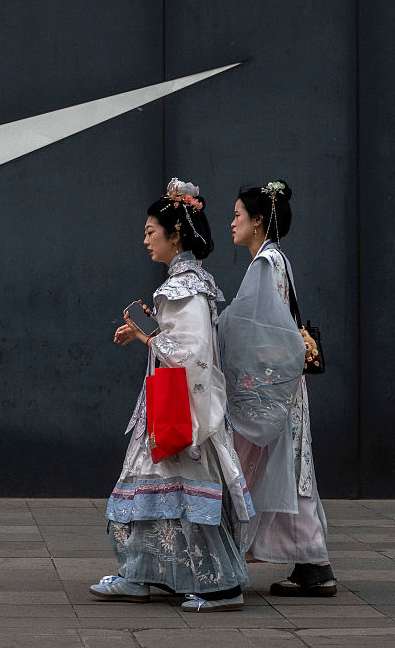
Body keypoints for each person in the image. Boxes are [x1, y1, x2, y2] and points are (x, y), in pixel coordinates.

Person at [90, 178, 254, 612]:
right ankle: (141, 575)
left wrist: (148, 337)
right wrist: (150, 333)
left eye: (151, 231)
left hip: (179, 410)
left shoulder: (182, 288)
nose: (146, 240)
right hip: (177, 404)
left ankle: (220, 587)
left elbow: (192, 353)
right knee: (160, 492)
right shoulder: (192, 283)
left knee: (175, 494)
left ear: (175, 233)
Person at [217, 181, 336, 596]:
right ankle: (311, 563)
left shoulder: (265, 264)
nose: (232, 222)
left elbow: (253, 327)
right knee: (289, 468)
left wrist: (211, 327)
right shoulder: (276, 260)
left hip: (270, 388)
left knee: (267, 464)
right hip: (283, 385)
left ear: (258, 221)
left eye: (238, 215)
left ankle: (302, 562)